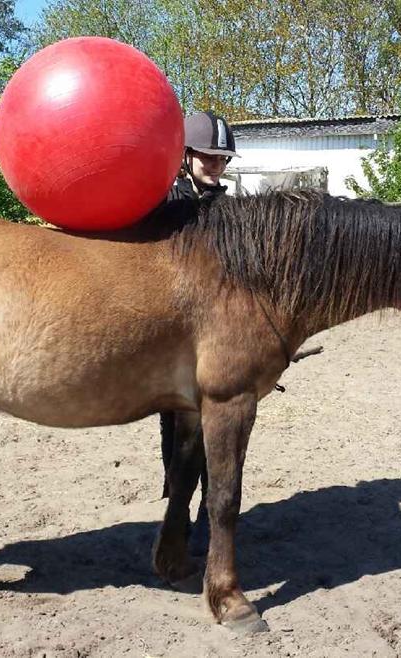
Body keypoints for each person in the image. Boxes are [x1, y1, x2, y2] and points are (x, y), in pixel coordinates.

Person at [159, 110, 239, 554]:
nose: (217, 166)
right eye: (209, 158)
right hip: (175, 336)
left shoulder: (225, 206)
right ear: (187, 155)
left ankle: (209, 507)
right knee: (177, 433)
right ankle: (177, 507)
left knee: (217, 433)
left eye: (223, 160)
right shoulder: (168, 204)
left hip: (217, 337)